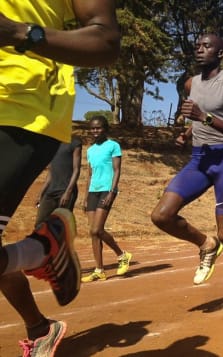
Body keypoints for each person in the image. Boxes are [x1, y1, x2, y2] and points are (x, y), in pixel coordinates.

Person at [0, 3, 120, 355]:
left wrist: (16, 33)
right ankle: (40, 255)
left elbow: (107, 40)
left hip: (22, 109)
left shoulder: (104, 145)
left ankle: (41, 250)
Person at [151, 33, 223, 311]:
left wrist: (203, 118)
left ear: (220, 53)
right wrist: (187, 133)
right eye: (197, 45)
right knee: (161, 215)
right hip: (199, 159)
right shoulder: (190, 83)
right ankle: (205, 244)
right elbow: (197, 117)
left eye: (207, 46)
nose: (200, 49)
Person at [81, 115, 131, 282]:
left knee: (97, 229)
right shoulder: (89, 150)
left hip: (106, 190)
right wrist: (85, 196)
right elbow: (89, 174)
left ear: (105, 129)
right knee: (93, 233)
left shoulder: (113, 146)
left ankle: (122, 255)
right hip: (92, 191)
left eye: (98, 127)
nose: (95, 131)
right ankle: (99, 270)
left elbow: (117, 170)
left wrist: (112, 191)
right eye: (93, 128)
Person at [35, 136, 83, 227]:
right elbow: (51, 172)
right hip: (51, 190)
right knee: (40, 224)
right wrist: (41, 193)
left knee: (61, 225)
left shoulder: (74, 142)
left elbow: (76, 169)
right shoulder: (53, 144)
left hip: (65, 190)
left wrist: (68, 192)